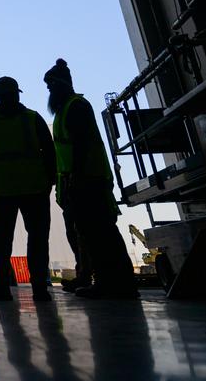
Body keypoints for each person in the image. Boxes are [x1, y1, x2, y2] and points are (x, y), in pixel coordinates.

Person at [45, 58, 138, 299]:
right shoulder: (65, 109)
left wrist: (75, 176)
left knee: (101, 233)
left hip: (88, 180)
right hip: (78, 180)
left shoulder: (76, 106)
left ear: (61, 84)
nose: (49, 92)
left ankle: (115, 282)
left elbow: (81, 145)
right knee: (88, 233)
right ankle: (102, 278)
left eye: (51, 86)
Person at [0, 76, 55, 302]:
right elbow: (50, 153)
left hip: (2, 189)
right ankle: (39, 288)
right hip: (34, 187)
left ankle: (2, 288)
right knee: (37, 238)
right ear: (17, 93)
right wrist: (49, 182)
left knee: (0, 241)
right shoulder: (32, 119)